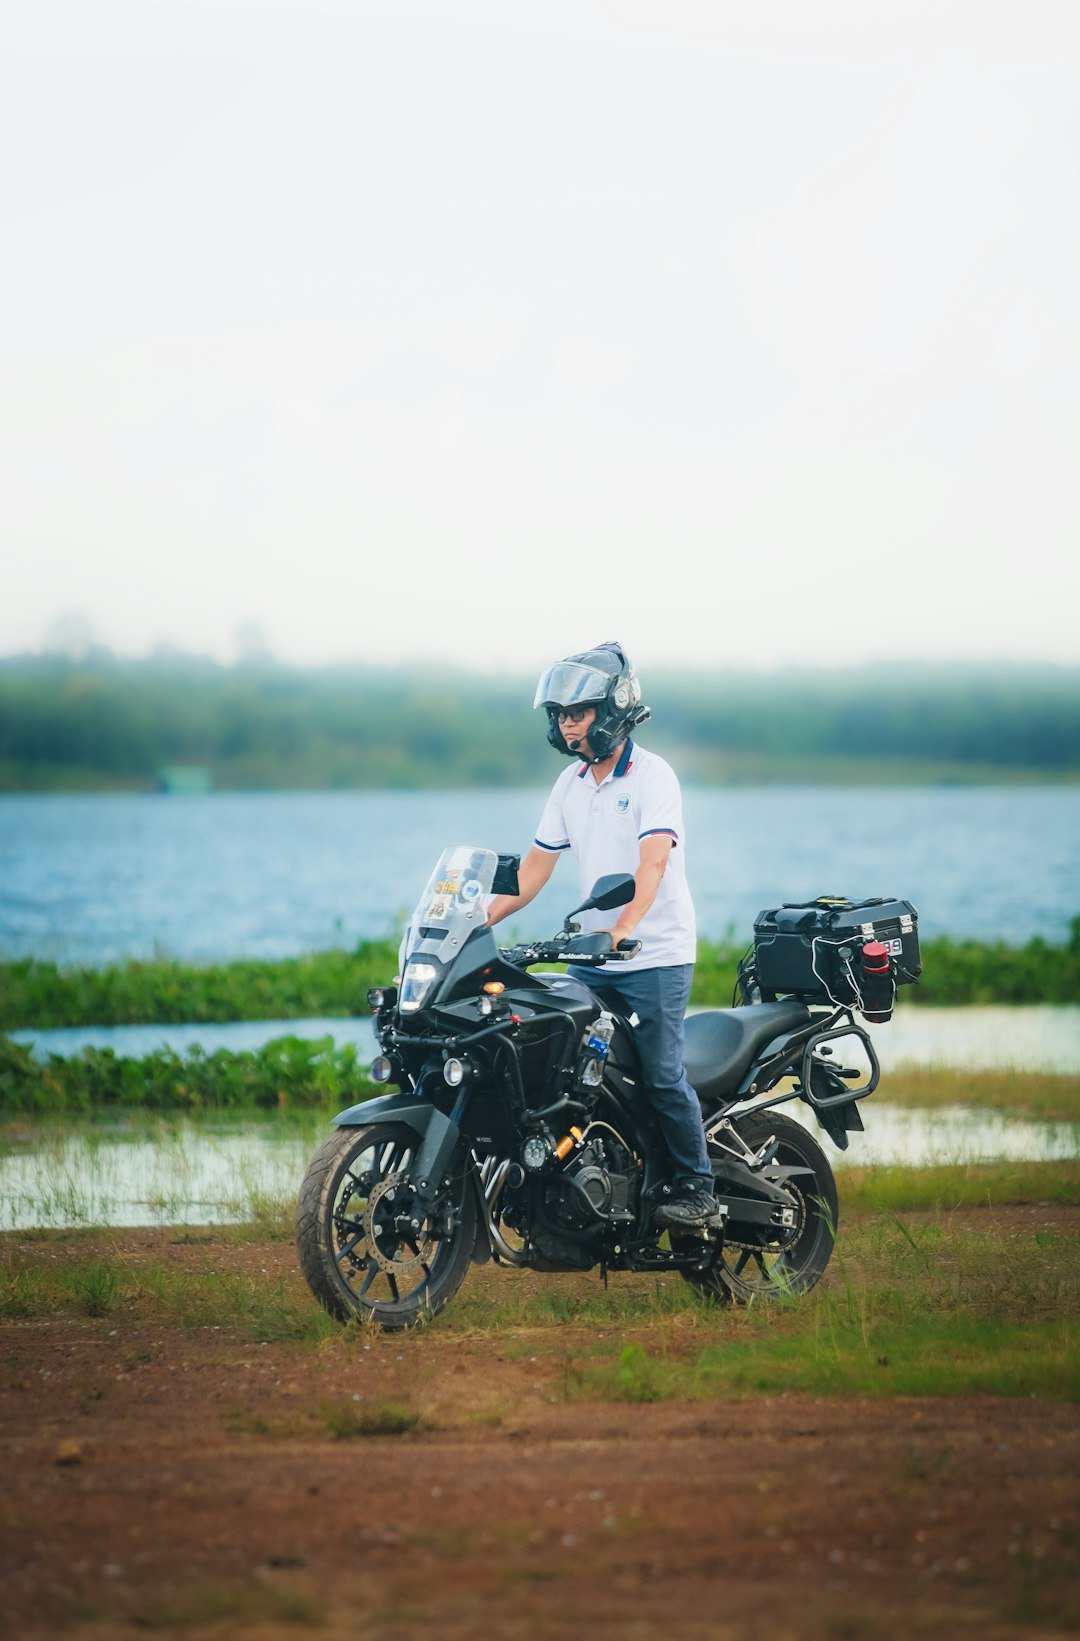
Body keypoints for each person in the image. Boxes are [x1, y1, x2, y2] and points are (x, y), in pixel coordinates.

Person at [486, 640, 720, 1230]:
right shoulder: (570, 784)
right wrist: (477, 920)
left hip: (654, 955)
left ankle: (698, 1188)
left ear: (612, 710)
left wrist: (623, 928)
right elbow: (534, 870)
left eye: (579, 712)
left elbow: (653, 863)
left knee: (661, 1074)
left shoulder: (653, 776)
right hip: (594, 957)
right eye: (561, 714)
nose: (568, 724)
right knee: (558, 1059)